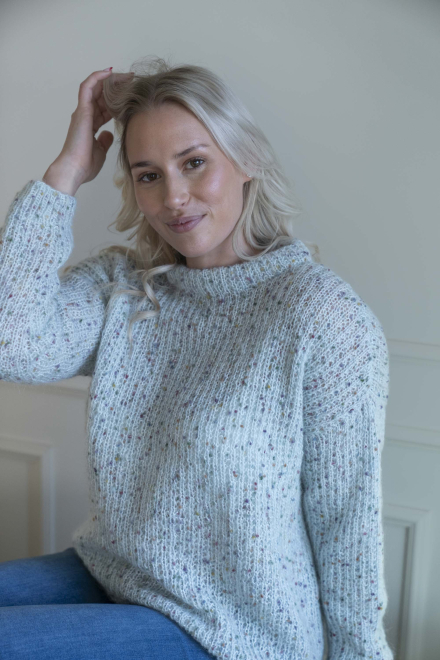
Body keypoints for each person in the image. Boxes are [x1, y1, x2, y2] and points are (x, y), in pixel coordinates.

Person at [0, 56, 394, 660]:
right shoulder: (125, 287)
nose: (174, 197)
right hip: (114, 576)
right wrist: (67, 171)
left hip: (229, 630)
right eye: (148, 175)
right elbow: (12, 344)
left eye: (194, 163)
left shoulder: (321, 315)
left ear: (247, 159)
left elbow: (348, 518)